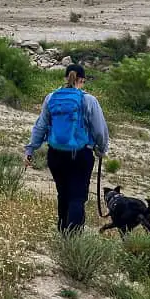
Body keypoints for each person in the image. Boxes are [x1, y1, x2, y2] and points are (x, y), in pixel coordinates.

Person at [24, 63, 110, 234]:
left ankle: (63, 230)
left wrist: (30, 149)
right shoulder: (89, 100)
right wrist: (101, 149)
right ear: (82, 80)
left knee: (63, 194)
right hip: (81, 155)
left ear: (65, 78)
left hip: (55, 154)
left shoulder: (51, 98)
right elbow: (100, 131)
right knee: (77, 196)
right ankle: (73, 238)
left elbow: (40, 126)